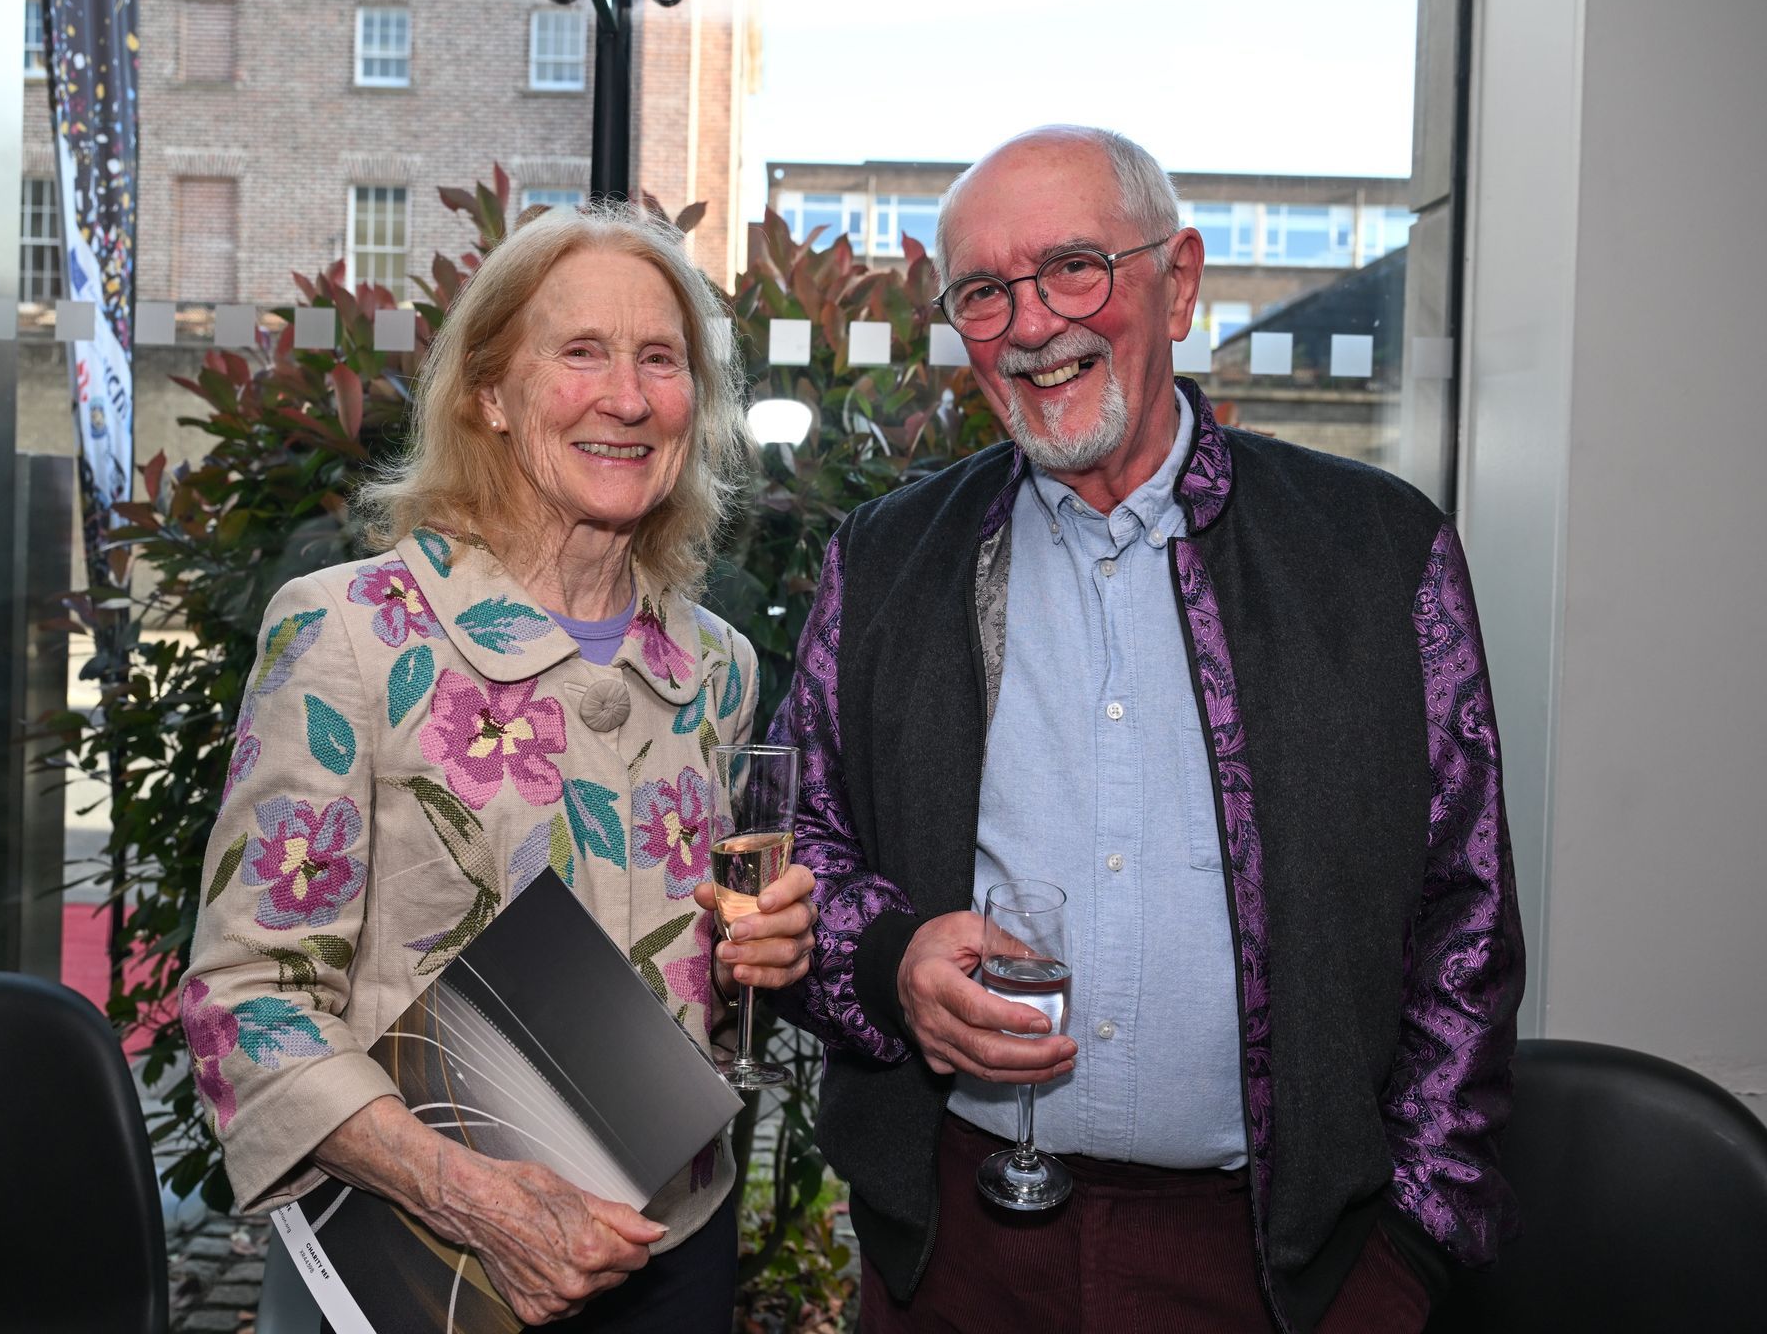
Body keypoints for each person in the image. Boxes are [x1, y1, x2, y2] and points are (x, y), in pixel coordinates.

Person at [768, 126, 1523, 1333]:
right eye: (983, 292)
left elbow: (1465, 915)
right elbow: (791, 841)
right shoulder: (888, 560)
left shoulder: (1379, 552)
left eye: (1074, 267)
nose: (1031, 323)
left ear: (1179, 283)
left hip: (1281, 1272)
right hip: (956, 1260)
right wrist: (889, 962)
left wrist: (1409, 1254)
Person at [181, 203, 818, 1330]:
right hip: (432, 1262)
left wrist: (752, 962)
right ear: (489, 393)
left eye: (660, 358)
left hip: (677, 1246)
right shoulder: (350, 635)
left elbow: (691, 985)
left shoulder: (715, 666)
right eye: (581, 352)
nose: (627, 397)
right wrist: (478, 1202)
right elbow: (247, 1002)